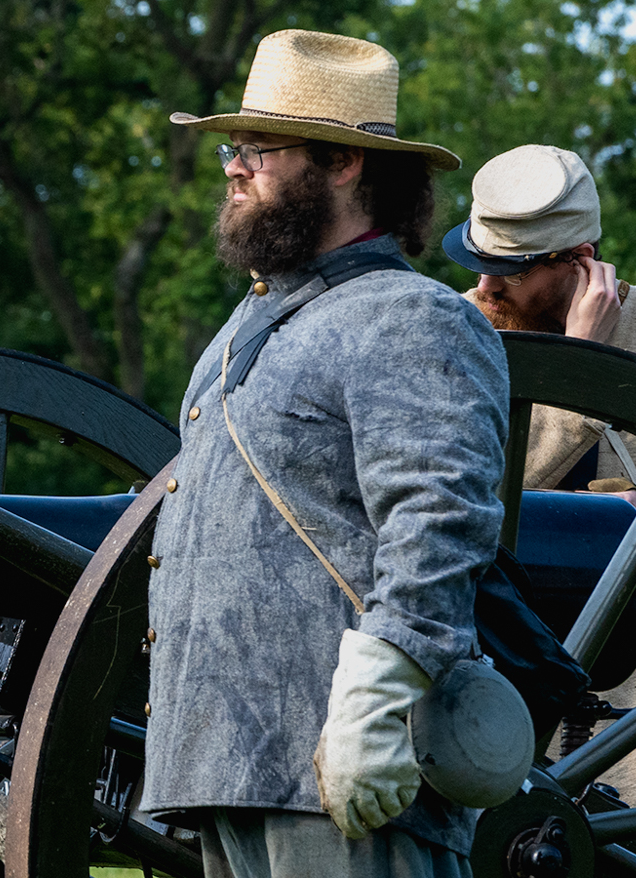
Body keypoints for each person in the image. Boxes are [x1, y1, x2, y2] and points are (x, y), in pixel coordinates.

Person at [145, 29, 503, 877]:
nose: (233, 166)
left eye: (257, 149)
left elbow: (440, 518)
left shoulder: (412, 316)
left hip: (338, 767)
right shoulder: (240, 331)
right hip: (224, 766)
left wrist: (379, 699)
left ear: (343, 163)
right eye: (233, 147)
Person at [447, 143, 636, 850]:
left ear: (580, 259)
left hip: (634, 666)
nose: (487, 282)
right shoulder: (459, 331)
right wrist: (578, 371)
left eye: (513, 267)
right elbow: (460, 495)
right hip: (485, 646)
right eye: (478, 259)